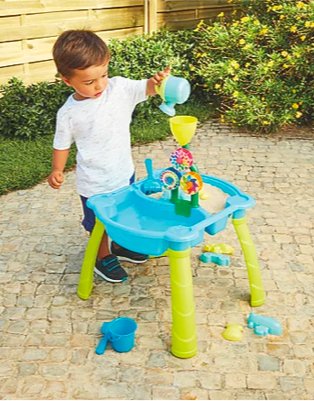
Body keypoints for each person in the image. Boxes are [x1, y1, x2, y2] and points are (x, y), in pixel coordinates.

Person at [48, 29, 170, 283]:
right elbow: (61, 144)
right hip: (94, 182)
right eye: (89, 82)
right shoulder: (69, 113)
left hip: (123, 171)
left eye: (103, 75)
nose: (100, 85)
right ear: (67, 81)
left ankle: (121, 246)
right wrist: (57, 170)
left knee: (125, 212)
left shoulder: (120, 89)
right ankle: (102, 256)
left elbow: (147, 88)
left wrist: (158, 83)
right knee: (99, 223)